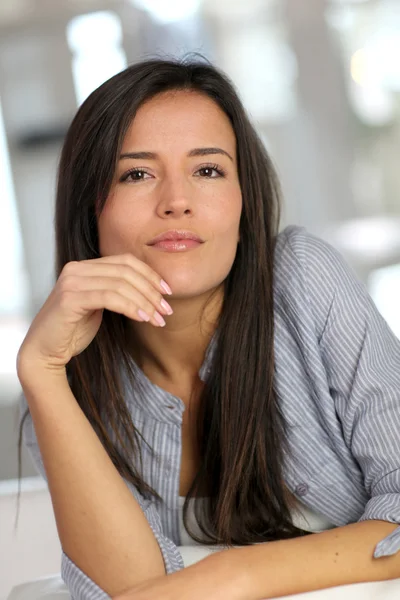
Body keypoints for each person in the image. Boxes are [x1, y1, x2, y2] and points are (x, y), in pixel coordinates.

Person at [16, 56, 400, 600]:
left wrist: (233, 575)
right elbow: (125, 589)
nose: (176, 201)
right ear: (90, 212)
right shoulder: (65, 386)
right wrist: (42, 372)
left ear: (244, 204)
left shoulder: (303, 279)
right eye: (137, 174)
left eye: (208, 170)